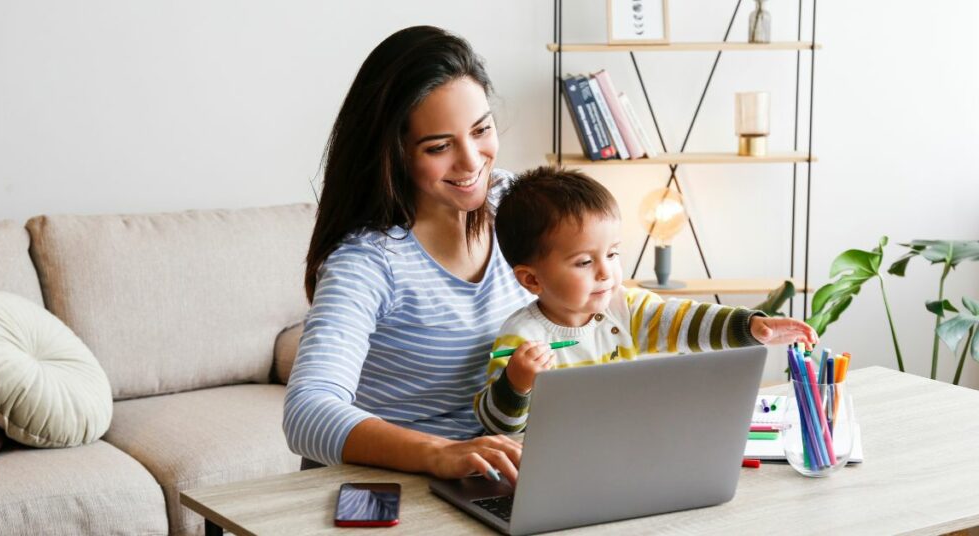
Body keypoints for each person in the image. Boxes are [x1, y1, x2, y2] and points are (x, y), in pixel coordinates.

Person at [282, 26, 533, 484]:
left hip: (501, 475)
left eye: (481, 130)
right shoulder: (368, 261)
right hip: (402, 482)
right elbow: (306, 412)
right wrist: (443, 453)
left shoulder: (515, 204)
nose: (472, 160)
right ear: (394, 153)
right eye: (439, 147)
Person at [474, 166, 819, 435]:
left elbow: (683, 320)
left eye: (612, 254)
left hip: (628, 446)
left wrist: (749, 327)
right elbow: (498, 426)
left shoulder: (625, 307)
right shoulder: (521, 337)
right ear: (532, 279)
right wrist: (516, 383)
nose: (606, 272)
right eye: (584, 262)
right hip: (556, 464)